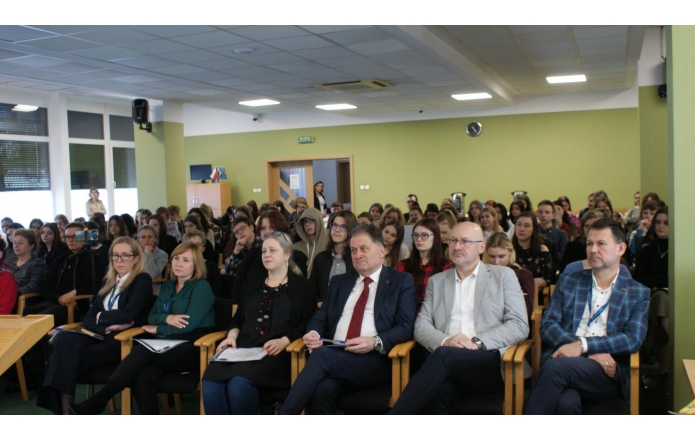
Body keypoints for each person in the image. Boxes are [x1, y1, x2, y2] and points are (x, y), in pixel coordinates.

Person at [388, 222, 529, 414]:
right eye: (453, 240)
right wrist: (446, 340)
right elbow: (421, 325)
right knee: (438, 392)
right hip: (445, 363)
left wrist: (477, 342)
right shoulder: (437, 282)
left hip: (487, 359)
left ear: (481, 247)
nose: (457, 246)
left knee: (442, 356)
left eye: (465, 241)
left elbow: (519, 325)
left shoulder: (503, 276)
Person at [278, 223, 416, 414]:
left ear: (381, 250)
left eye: (364, 249)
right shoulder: (339, 282)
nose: (358, 254)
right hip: (336, 356)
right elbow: (320, 317)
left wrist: (374, 342)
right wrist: (313, 332)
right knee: (322, 390)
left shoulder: (401, 281)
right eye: (353, 250)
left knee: (322, 356)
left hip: (374, 359)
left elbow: (406, 326)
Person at [69, 242, 215, 415]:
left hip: (193, 345)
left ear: (196, 264)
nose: (178, 263)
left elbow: (188, 325)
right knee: (142, 376)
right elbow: (152, 316)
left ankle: (100, 399)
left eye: (185, 260)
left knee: (142, 351)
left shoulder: (201, 287)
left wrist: (159, 329)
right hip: (165, 346)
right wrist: (167, 318)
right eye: (176, 258)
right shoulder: (168, 286)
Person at [525, 218, 649, 414]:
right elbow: (548, 325)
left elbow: (632, 339)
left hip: (605, 372)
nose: (593, 250)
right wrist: (585, 350)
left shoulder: (637, 292)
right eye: (590, 244)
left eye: (601, 244)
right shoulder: (569, 281)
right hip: (567, 362)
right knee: (567, 402)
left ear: (621, 248)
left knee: (555, 368)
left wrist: (583, 346)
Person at [201, 233, 317, 414]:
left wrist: (284, 341)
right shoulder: (252, 283)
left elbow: (306, 323)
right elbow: (238, 318)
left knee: (238, 383)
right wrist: (231, 337)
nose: (266, 254)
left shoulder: (303, 287)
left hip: (277, 353)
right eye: (264, 251)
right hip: (243, 348)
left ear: (287, 254)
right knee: (210, 381)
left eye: (272, 250)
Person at [37, 237, 152, 414]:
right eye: (115, 256)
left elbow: (128, 314)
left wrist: (100, 318)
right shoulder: (109, 282)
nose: (118, 260)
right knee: (64, 338)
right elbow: (88, 317)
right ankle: (67, 412)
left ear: (136, 258)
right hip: (102, 335)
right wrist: (104, 326)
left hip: (124, 340)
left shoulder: (141, 280)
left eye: (125, 255)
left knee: (59, 357)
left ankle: (62, 413)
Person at [25, 222, 106, 326]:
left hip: (77, 305)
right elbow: (45, 287)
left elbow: (100, 286)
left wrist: (75, 292)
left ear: (84, 237)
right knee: (24, 313)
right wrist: (59, 298)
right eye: (67, 237)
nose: (71, 240)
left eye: (75, 236)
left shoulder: (93, 259)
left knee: (40, 319)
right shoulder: (60, 259)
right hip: (57, 301)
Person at [233, 211, 308, 306]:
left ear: (281, 229)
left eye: (272, 227)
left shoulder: (297, 257)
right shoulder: (252, 255)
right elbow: (238, 289)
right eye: (263, 228)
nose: (267, 232)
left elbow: (301, 295)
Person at [634, 206, 669, 381]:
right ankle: (676, 339)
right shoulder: (648, 250)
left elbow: (675, 278)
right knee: (661, 298)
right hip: (652, 296)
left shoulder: (679, 251)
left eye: (666, 223)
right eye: (658, 222)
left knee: (662, 303)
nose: (661, 226)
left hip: (677, 298)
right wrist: (663, 281)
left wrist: (657, 281)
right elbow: (639, 279)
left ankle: (664, 372)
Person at [396, 218, 453, 312]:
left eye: (424, 235)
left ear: (436, 237)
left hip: (435, 316)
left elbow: (448, 299)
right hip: (407, 315)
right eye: (416, 235)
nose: (419, 239)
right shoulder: (403, 265)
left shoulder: (446, 266)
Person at [484, 232, 535, 322]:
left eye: (501, 256)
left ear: (510, 252)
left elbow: (525, 311)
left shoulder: (523, 275)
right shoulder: (480, 274)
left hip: (513, 326)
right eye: (492, 256)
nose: (496, 261)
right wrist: (509, 298)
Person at [310, 210, 358, 307]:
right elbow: (312, 288)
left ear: (351, 229)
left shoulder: (356, 258)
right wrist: (318, 302)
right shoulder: (320, 258)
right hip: (323, 311)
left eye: (343, 226)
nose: (337, 229)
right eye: (334, 225)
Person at [513, 211, 554, 291]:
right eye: (518, 225)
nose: (521, 229)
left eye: (527, 226)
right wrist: (530, 282)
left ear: (533, 229)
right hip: (511, 293)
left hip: (536, 294)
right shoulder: (508, 249)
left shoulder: (542, 249)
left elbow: (548, 278)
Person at [4, 229, 46, 296]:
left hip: (21, 299)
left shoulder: (37, 263)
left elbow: (34, 286)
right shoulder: (8, 262)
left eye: (20, 243)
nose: (16, 245)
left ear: (31, 246)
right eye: (14, 243)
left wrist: (11, 293)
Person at [183, 230, 223, 297]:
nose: (194, 247)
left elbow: (216, 293)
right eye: (191, 244)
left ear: (203, 249)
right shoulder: (178, 264)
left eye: (198, 244)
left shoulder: (212, 267)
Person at [295, 208, 328, 277]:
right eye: (305, 221)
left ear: (319, 221)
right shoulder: (297, 247)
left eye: (312, 220)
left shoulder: (329, 244)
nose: (307, 224)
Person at [536, 199, 568, 264]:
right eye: (540, 212)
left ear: (553, 215)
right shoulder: (534, 233)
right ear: (537, 214)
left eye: (547, 212)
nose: (543, 215)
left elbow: (562, 256)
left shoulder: (561, 234)